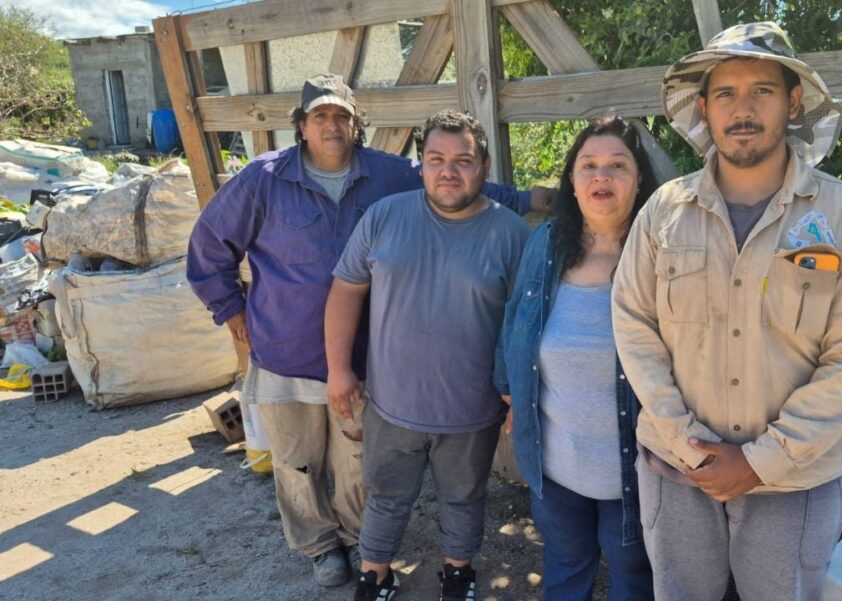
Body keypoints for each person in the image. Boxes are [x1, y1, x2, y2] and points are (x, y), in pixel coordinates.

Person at [187, 74, 547, 588]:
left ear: (357, 126)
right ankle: (318, 546)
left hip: (362, 357)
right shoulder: (262, 179)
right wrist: (229, 307)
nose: (331, 126)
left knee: (361, 465)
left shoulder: (389, 175)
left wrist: (543, 197)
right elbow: (209, 243)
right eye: (320, 116)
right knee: (296, 461)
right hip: (285, 347)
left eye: (342, 116)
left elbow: (461, 181)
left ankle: (363, 548)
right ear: (301, 125)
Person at [611, 22, 842, 600]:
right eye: (725, 93)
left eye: (761, 91)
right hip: (676, 468)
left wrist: (763, 459)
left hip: (795, 483)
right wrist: (689, 442)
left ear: (793, 102)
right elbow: (633, 325)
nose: (743, 109)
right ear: (705, 108)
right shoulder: (664, 212)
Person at [324, 109, 530, 601]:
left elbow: (525, 324)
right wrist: (338, 368)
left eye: (463, 160)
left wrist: (519, 394)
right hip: (392, 404)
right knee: (386, 496)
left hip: (472, 409)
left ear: (484, 166)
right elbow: (345, 290)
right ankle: (375, 574)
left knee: (463, 498)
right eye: (436, 158)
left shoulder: (512, 234)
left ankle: (457, 573)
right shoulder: (384, 216)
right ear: (422, 165)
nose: (449, 171)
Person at [495, 116, 657, 601]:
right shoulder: (546, 244)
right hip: (555, 466)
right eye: (588, 165)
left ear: (639, 179)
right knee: (565, 571)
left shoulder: (660, 251)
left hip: (637, 471)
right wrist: (510, 391)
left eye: (616, 165)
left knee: (635, 579)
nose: (600, 176)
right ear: (572, 180)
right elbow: (515, 317)